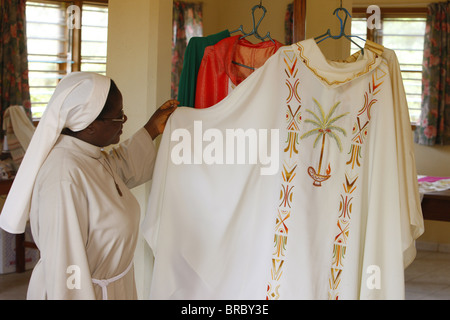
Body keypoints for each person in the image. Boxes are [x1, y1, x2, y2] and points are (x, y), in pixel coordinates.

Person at [0, 72, 179, 299]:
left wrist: (152, 129)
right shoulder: (64, 177)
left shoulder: (89, 156)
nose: (124, 121)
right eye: (119, 116)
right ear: (90, 124)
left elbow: (118, 166)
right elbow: (66, 268)